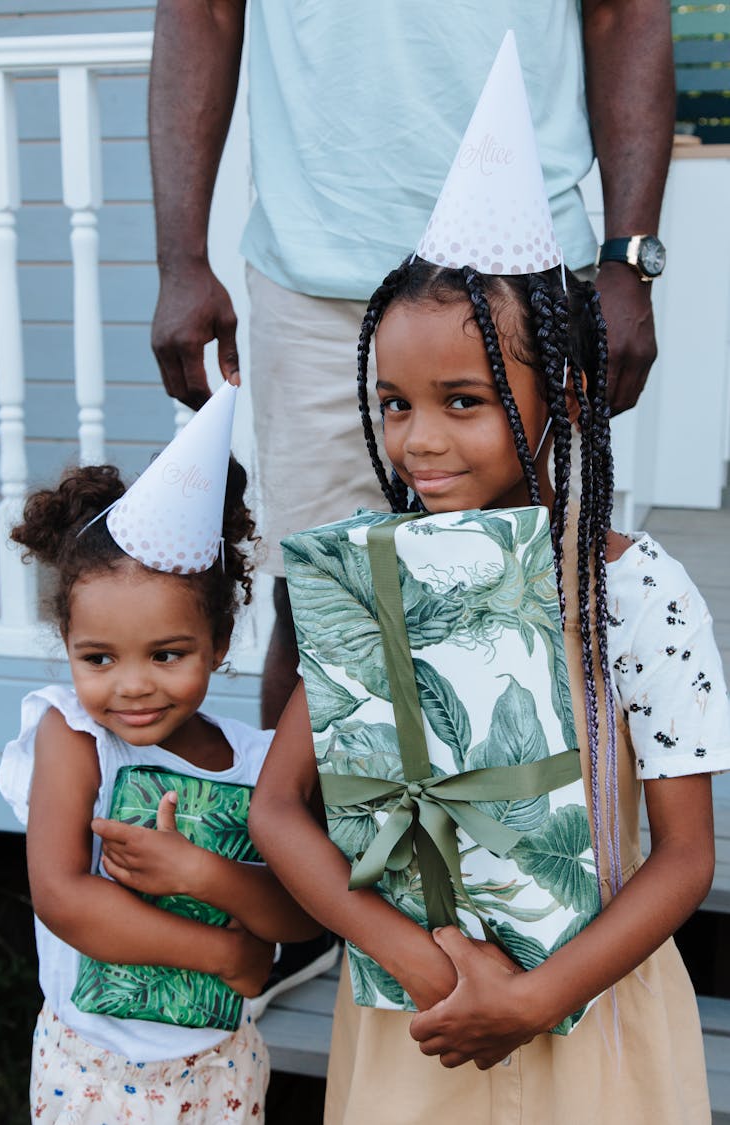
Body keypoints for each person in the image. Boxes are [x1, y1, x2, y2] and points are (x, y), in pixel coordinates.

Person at [249, 253, 730, 1123]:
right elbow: (278, 806)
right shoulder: (370, 584)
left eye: (462, 400)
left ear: (570, 396)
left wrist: (534, 999)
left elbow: (687, 854)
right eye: (396, 403)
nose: (418, 440)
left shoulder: (632, 590)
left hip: (594, 1012)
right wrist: (432, 967)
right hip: (420, 1020)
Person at [148, 0, 675, 730]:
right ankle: (304, 840)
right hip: (319, 270)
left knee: (548, 600)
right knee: (320, 610)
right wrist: (179, 258)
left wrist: (629, 258)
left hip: (525, 266)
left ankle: (544, 841)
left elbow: (627, 12)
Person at [0, 457, 319, 1124]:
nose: (133, 685)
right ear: (68, 644)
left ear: (220, 641)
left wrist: (203, 872)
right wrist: (227, 950)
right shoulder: (75, 734)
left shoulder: (257, 760)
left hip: (223, 1065)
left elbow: (303, 911)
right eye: (99, 657)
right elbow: (64, 896)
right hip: (94, 1075)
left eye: (166, 653)